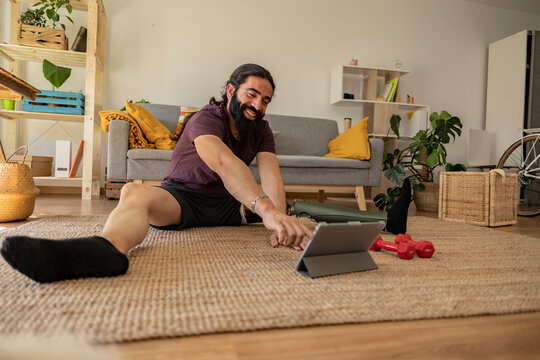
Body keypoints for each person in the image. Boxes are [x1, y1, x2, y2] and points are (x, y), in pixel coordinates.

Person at [1, 63, 411, 284]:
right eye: (252, 93)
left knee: (298, 211)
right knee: (135, 194)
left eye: (266, 99)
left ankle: (384, 220)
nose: (259, 104)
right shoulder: (205, 118)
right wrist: (267, 211)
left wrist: (280, 220)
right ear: (231, 90)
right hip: (184, 198)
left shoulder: (261, 128)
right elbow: (223, 163)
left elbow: (271, 176)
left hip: (233, 206)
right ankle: (106, 250)